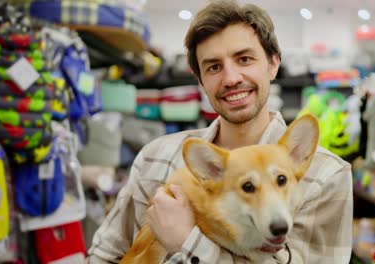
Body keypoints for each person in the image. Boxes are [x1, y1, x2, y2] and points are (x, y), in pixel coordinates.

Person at [87, 1, 353, 263]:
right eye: (214, 67)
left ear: (273, 64)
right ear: (200, 79)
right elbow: (105, 255)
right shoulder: (154, 157)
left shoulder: (326, 176)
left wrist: (186, 242)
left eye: (244, 59)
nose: (231, 78)